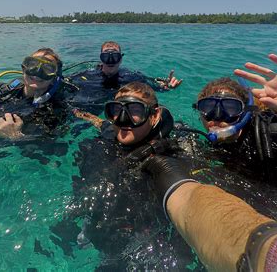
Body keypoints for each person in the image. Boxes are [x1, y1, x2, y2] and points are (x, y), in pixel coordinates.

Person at [137, 55, 277, 270]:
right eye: (209, 109)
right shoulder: (208, 147)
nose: (217, 118)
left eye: (229, 108)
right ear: (199, 114)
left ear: (246, 113)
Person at [52, 82, 208, 270]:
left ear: (155, 115)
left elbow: (187, 193)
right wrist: (79, 113)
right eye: (117, 109)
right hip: (104, 225)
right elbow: (101, 123)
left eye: (135, 110)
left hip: (147, 242)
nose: (123, 119)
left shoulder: (168, 156)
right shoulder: (114, 132)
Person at [68, 41, 182, 114]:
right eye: (106, 57)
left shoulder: (131, 76)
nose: (111, 61)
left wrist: (166, 85)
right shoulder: (86, 75)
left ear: (121, 59)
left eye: (115, 57)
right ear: (101, 59)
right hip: (90, 108)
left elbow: (152, 83)